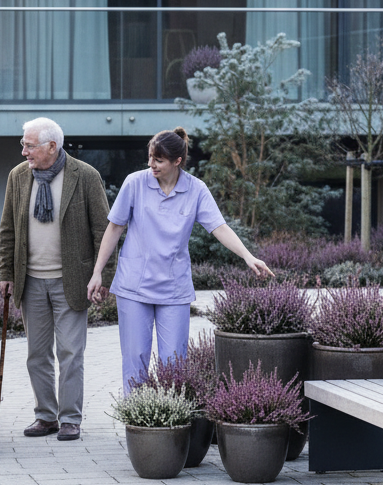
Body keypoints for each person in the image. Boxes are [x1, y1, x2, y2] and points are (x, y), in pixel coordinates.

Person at [86, 127, 273, 393]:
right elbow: (114, 228)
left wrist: (248, 256)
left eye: (159, 160)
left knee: (174, 365)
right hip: (133, 286)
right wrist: (97, 273)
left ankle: (170, 427)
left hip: (174, 288)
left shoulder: (196, 189)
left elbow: (218, 226)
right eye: (150, 157)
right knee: (135, 360)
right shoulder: (134, 183)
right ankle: (137, 426)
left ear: (177, 162)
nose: (151, 165)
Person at [0, 117, 114, 441]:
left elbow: (104, 230)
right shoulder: (18, 177)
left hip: (71, 279)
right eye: (23, 145)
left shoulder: (85, 176)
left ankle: (71, 419)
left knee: (71, 353)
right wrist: (4, 272)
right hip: (30, 280)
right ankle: (45, 416)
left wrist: (102, 276)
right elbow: (7, 229)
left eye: (29, 145)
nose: (23, 152)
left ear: (52, 146)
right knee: (37, 354)